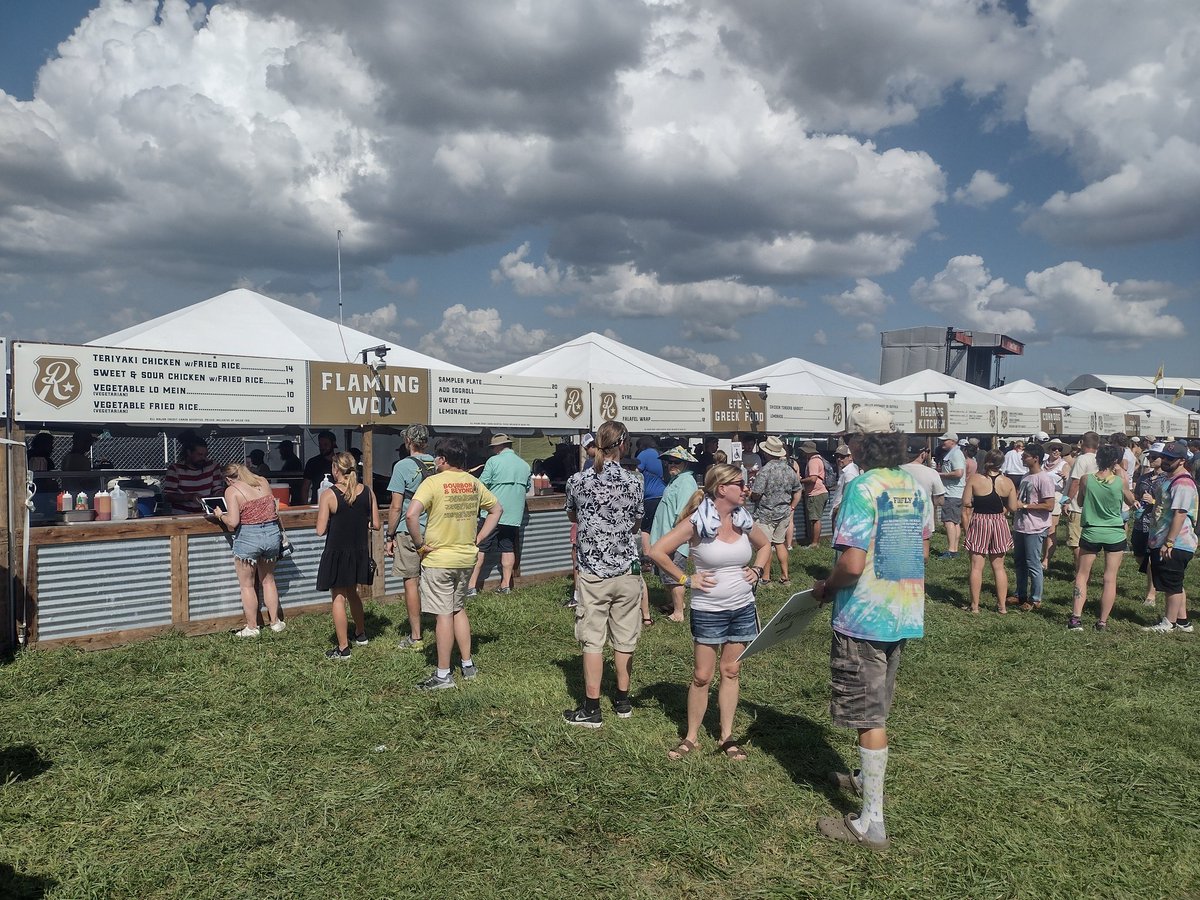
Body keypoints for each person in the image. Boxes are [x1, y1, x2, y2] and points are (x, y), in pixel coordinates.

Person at [812, 406, 932, 852]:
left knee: (868, 717)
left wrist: (826, 587)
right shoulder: (911, 484)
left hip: (863, 616)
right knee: (878, 705)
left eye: (849, 440)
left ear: (861, 443)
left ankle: (871, 823)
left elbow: (851, 563)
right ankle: (865, 778)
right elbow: (922, 546)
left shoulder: (861, 488)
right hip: (902, 611)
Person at [648, 463, 771, 761]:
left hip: (742, 607)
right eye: (740, 483)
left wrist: (757, 569)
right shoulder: (697, 522)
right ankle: (691, 737)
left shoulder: (742, 519)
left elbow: (766, 545)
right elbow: (656, 551)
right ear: (722, 489)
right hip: (708, 610)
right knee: (702, 676)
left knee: (731, 670)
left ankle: (726, 736)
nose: (745, 489)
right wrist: (686, 579)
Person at [562, 420, 643, 728]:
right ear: (623, 444)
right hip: (626, 569)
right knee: (625, 637)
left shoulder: (577, 481)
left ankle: (592, 708)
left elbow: (573, 516)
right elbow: (636, 524)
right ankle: (623, 700)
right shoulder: (634, 481)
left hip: (593, 572)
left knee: (592, 640)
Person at [408, 437, 501, 688]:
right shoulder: (473, 483)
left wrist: (419, 545)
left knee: (443, 614)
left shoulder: (432, 482)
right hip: (466, 557)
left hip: (439, 559)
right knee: (458, 608)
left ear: (442, 459)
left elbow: (411, 515)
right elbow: (497, 510)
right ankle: (467, 664)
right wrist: (479, 537)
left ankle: (443, 674)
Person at [316, 451, 381, 659]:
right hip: (358, 551)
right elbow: (377, 524)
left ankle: (343, 648)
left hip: (337, 552)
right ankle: (360, 633)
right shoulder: (367, 492)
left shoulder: (329, 494)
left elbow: (320, 530)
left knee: (338, 598)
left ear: (336, 469)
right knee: (353, 592)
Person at [211, 462, 285, 637]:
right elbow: (273, 508)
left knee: (247, 585)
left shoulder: (232, 490)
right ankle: (275, 622)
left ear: (229, 479)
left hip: (249, 537)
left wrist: (220, 515)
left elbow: (233, 522)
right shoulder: (263, 481)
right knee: (268, 581)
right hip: (272, 534)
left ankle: (252, 627)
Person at [1068, 446, 1136, 631]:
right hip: (1114, 532)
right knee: (1109, 578)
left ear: (1097, 459)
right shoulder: (1120, 481)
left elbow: (1080, 502)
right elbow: (1130, 501)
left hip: (1091, 531)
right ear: (1115, 461)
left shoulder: (1086, 479)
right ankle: (1102, 621)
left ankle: (1076, 618)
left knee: (1082, 574)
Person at [385, 424, 438, 650]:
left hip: (409, 531)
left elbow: (396, 507)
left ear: (408, 441)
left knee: (411, 582)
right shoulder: (438, 464)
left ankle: (416, 637)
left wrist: (389, 535)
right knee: (436, 581)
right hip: (435, 530)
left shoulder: (402, 466)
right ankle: (443, 627)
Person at [467, 434, 532, 596]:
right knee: (508, 547)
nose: (493, 450)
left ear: (498, 447)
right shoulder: (524, 465)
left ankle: (471, 586)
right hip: (513, 515)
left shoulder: (493, 461)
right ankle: (505, 585)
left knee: (480, 547)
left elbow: (481, 485)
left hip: (492, 513)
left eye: (493, 447)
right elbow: (527, 487)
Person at [1143, 441, 1197, 635]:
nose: (1165, 461)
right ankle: (1183, 621)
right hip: (1166, 540)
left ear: (1182, 460)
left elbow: (1180, 514)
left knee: (1171, 585)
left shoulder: (1183, 482)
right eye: (1164, 457)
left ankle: (1169, 623)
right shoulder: (1170, 478)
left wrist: (1169, 542)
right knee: (1175, 582)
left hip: (1177, 542)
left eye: (1171, 459)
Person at [961, 450, 1018, 613]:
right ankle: (1002, 606)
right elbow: (1013, 507)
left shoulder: (975, 479)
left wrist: (978, 503)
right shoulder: (1008, 482)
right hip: (999, 522)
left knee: (976, 566)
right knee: (999, 567)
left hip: (980, 520)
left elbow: (966, 502)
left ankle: (975, 606)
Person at [649, 446, 700, 623]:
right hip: (665, 536)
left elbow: (684, 512)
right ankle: (674, 603)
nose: (671, 465)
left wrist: (675, 537)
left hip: (673, 538)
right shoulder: (676, 480)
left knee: (674, 575)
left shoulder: (686, 481)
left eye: (676, 462)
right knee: (667, 574)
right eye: (668, 462)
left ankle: (678, 612)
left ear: (685, 463)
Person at [748, 436, 802, 585]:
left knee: (765, 545)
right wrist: (792, 506)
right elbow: (798, 490)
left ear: (766, 453)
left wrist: (750, 495)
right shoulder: (790, 470)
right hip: (784, 512)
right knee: (780, 543)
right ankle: (785, 576)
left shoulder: (765, 471)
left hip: (766, 514)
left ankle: (766, 578)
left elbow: (757, 493)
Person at [1010, 443, 1057, 612]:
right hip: (1021, 526)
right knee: (1019, 562)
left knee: (1033, 563)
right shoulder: (1026, 476)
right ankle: (1020, 594)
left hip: (1035, 527)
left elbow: (1049, 505)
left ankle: (1035, 598)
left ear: (1036, 458)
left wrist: (1025, 506)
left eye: (1025, 456)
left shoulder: (1044, 479)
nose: (1023, 459)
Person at [1131, 443, 1167, 609]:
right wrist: (1135, 501)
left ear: (1163, 459)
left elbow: (1168, 503)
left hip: (1157, 525)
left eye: (1154, 457)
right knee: (1139, 555)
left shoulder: (1167, 479)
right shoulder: (1144, 478)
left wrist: (1153, 501)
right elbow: (1136, 495)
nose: (1150, 459)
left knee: (1152, 559)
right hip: (1140, 522)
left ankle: (1151, 594)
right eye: (1149, 456)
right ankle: (1155, 576)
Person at [901, 440, 944, 558]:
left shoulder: (897, 470)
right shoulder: (931, 473)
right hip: (924, 517)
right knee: (922, 555)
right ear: (923, 454)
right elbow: (940, 500)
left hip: (901, 515)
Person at [163, 431, 225, 515]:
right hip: (182, 515)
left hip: (207, 513)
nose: (203, 458)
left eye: (205, 455)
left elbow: (217, 488)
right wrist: (189, 497)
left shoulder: (213, 466)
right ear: (189, 453)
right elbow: (168, 496)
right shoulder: (175, 469)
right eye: (199, 454)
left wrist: (220, 494)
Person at [1063, 432, 1101, 564]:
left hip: (1077, 505)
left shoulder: (1082, 459)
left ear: (1082, 443)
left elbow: (1075, 482)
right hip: (1092, 506)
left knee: (1075, 542)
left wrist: (1066, 501)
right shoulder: (1099, 460)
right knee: (1088, 541)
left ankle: (1081, 570)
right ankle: (1086, 568)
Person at [937, 431, 966, 558]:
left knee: (948, 521)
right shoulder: (953, 453)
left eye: (945, 440)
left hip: (952, 492)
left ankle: (951, 550)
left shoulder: (956, 454)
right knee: (955, 522)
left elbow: (959, 473)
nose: (942, 442)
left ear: (953, 441)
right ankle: (954, 549)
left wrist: (940, 475)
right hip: (955, 492)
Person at [1041, 441, 1069, 569]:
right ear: (1049, 450)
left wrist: (1065, 478)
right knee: (1041, 529)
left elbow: (1069, 484)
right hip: (1042, 497)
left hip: (1056, 496)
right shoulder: (1043, 464)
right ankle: (1041, 555)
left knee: (1051, 530)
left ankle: (1046, 560)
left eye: (1059, 449)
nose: (1056, 451)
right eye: (1054, 448)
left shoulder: (1064, 465)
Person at [799, 440, 830, 547]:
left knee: (815, 519)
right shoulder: (819, 459)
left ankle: (815, 543)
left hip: (816, 493)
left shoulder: (813, 461)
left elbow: (813, 479)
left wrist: (801, 480)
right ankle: (815, 541)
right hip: (821, 491)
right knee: (816, 518)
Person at [828, 443, 861, 530]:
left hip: (843, 512)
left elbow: (851, 493)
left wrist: (838, 507)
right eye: (837, 457)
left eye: (842, 457)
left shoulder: (850, 473)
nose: (839, 459)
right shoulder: (846, 471)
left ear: (850, 457)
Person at [301, 430, 338, 504]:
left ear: (333, 443)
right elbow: (305, 487)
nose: (322, 447)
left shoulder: (340, 462)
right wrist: (305, 506)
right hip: (317, 503)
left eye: (326, 444)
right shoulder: (312, 462)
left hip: (337, 503)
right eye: (320, 445)